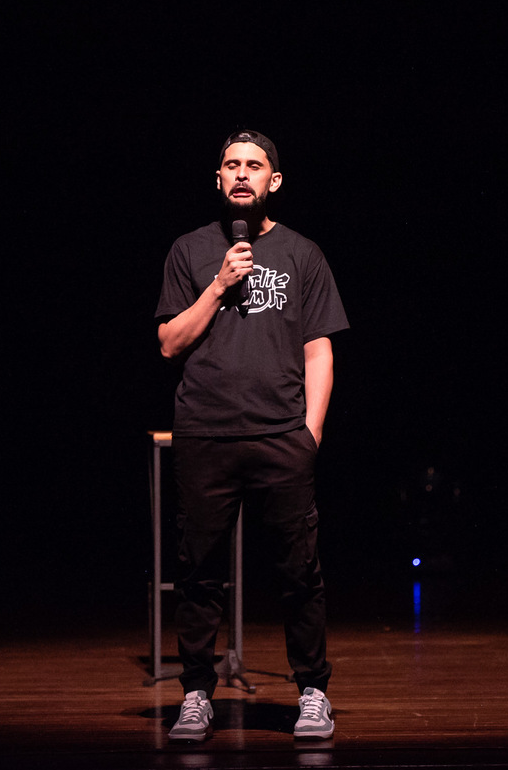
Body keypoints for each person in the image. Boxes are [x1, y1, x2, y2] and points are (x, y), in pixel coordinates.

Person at [155, 130, 349, 742]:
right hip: (205, 434)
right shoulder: (189, 251)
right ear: (218, 179)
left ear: (274, 180)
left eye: (254, 166)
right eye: (231, 165)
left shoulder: (303, 253)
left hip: (281, 436)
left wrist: (310, 433)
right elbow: (169, 343)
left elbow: (319, 349)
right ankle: (195, 694)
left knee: (299, 571)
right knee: (199, 571)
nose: (242, 174)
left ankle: (312, 692)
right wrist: (217, 285)